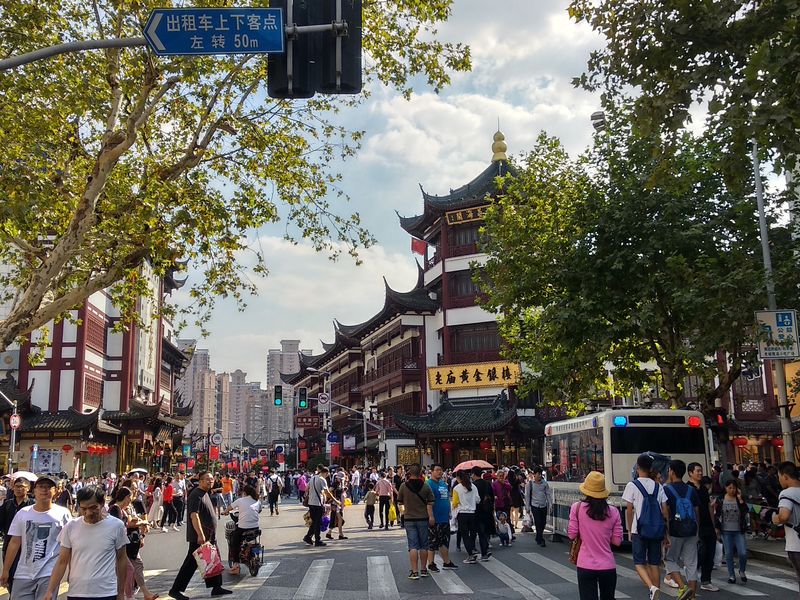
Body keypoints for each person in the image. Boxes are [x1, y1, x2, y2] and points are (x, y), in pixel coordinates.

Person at [44, 485, 128, 600]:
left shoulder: (116, 526)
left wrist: (121, 592)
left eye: (93, 508)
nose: (88, 513)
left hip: (107, 593)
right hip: (77, 593)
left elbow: (122, 559)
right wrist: (50, 591)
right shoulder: (71, 527)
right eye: (83, 509)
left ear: (102, 503)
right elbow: (61, 562)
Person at [0, 476, 72, 600]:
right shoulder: (23, 513)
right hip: (23, 573)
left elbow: (69, 545)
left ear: (55, 491)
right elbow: (14, 543)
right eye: (41, 486)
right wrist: (6, 570)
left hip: (49, 573)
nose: (44, 490)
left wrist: (71, 570)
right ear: (34, 490)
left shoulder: (63, 514)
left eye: (49, 487)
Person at [167, 471, 231, 599]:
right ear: (200, 481)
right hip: (200, 536)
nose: (210, 481)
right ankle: (175, 590)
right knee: (190, 564)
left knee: (213, 560)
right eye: (207, 479)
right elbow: (194, 515)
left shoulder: (205, 493)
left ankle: (216, 587)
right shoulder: (195, 494)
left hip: (209, 535)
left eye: (212, 479)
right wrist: (200, 535)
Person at [568, 471, 623, 600]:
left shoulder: (577, 508)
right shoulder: (613, 511)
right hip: (608, 566)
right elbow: (617, 541)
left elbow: (571, 534)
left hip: (585, 565)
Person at [623, 453, 669, 600]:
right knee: (654, 563)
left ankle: (652, 587)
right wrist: (665, 532)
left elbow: (629, 509)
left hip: (639, 529)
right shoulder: (658, 486)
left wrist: (629, 529)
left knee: (639, 562)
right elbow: (665, 511)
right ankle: (656, 595)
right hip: (656, 529)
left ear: (637, 468)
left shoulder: (632, 485)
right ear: (651, 469)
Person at [108, 488, 158, 600]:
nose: (131, 500)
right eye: (130, 497)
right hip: (117, 545)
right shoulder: (115, 509)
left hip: (122, 544)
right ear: (126, 497)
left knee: (129, 569)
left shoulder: (122, 509)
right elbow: (118, 527)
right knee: (128, 569)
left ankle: (128, 595)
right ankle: (127, 595)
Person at [663, 460, 699, 600]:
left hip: (675, 531)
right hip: (691, 530)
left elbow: (665, 512)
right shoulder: (691, 490)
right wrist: (697, 529)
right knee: (691, 563)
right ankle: (693, 596)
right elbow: (696, 511)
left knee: (669, 559)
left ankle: (682, 587)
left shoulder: (667, 489)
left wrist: (666, 532)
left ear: (671, 471)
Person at [396, 464, 435, 580]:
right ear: (421, 474)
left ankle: (414, 572)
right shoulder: (426, 486)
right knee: (424, 545)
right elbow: (431, 501)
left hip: (409, 519)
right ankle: (423, 569)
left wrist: (404, 511)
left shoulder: (403, 486)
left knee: (412, 546)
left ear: (409, 473)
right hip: (423, 518)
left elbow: (399, 501)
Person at [686, 463, 718, 592]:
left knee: (710, 553)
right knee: (701, 552)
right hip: (695, 526)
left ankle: (706, 580)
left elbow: (709, 506)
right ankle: (690, 572)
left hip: (708, 525)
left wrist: (714, 525)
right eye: (697, 471)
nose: (700, 473)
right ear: (690, 473)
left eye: (701, 471)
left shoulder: (704, 489)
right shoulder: (688, 488)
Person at [0, 477, 34, 593]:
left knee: (25, 578)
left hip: (27, 548)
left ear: (28, 489)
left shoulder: (33, 505)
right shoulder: (8, 505)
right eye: (17, 486)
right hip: (9, 545)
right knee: (9, 576)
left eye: (22, 487)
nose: (19, 489)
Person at [713, 478, 748, 585]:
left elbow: (745, 510)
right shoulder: (720, 500)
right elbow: (716, 514)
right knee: (728, 553)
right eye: (730, 488)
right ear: (725, 488)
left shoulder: (739, 499)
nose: (732, 490)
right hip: (726, 530)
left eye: (734, 488)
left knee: (742, 552)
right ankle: (731, 575)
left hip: (738, 530)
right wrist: (717, 529)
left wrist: (740, 499)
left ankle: (742, 570)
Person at [772, 461, 800, 587]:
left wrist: (774, 518)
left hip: (796, 545)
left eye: (779, 477)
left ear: (785, 476)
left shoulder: (786, 493)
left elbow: (784, 516)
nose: (779, 480)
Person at [223, 484, 261, 576]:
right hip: (255, 527)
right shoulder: (257, 501)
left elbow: (230, 508)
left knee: (234, 541)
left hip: (243, 527)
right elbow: (259, 511)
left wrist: (225, 512)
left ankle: (236, 564)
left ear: (244, 492)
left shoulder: (240, 500)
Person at [426, 464, 458, 572]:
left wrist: (449, 512)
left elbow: (446, 498)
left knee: (444, 541)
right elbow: (428, 503)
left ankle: (447, 562)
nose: (439, 472)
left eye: (441, 470)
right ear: (431, 472)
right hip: (435, 518)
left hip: (444, 518)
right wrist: (430, 516)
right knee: (433, 542)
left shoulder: (443, 484)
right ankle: (431, 563)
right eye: (437, 470)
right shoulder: (428, 484)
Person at [452, 470, 479, 564]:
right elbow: (477, 499)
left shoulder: (456, 488)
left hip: (462, 513)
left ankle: (470, 554)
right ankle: (472, 549)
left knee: (465, 535)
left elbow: (455, 502)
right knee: (472, 533)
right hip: (472, 513)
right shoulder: (473, 486)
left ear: (458, 478)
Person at [303, 467, 334, 547]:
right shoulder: (322, 480)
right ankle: (317, 540)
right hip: (317, 503)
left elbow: (306, 488)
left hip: (311, 503)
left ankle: (308, 537)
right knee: (318, 522)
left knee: (315, 521)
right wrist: (335, 500)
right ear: (326, 473)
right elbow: (327, 492)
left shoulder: (313, 478)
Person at [470, 467, 493, 562]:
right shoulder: (487, 484)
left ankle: (475, 551)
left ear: (474, 474)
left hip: (476, 511)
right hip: (487, 511)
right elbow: (492, 497)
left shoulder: (472, 486)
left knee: (474, 532)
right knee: (484, 532)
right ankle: (485, 550)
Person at [525, 467, 551, 547]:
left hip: (543, 505)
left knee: (543, 523)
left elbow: (548, 494)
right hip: (535, 505)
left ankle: (538, 536)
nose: (539, 476)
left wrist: (550, 504)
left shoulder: (545, 483)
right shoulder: (530, 484)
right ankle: (541, 539)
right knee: (538, 522)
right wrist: (527, 507)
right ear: (534, 475)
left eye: (540, 474)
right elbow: (527, 496)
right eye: (538, 474)